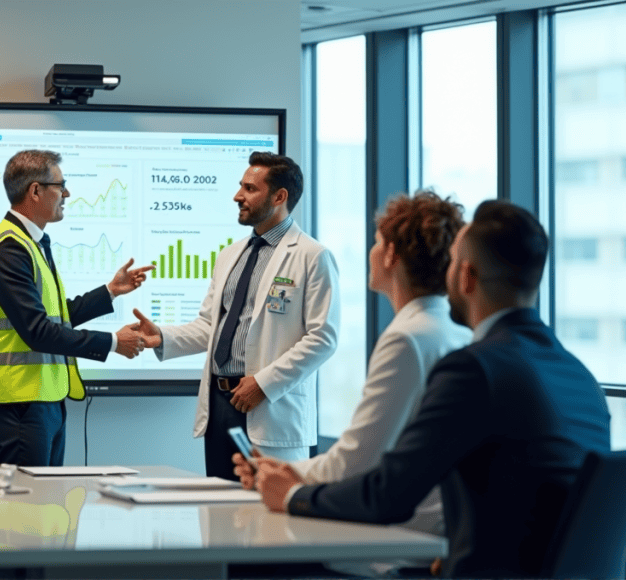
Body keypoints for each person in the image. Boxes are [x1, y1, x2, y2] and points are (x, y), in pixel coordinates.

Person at [237, 200, 611, 578]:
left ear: (465, 278)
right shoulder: (580, 378)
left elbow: (390, 495)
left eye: (451, 262)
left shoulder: (475, 369)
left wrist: (291, 496)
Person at [236, 191, 470, 537]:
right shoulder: (456, 332)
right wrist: (285, 469)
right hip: (436, 526)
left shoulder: (406, 340)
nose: (372, 251)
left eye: (377, 242)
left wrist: (285, 481)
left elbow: (356, 460)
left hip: (400, 535)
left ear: (391, 254)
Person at [131, 152, 340, 479]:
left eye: (249, 188)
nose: (237, 196)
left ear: (279, 196)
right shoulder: (230, 255)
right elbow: (210, 328)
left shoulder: (312, 256)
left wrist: (264, 384)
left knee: (267, 519)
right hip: (219, 405)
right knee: (217, 513)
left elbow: (323, 338)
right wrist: (164, 336)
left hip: (270, 405)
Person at [0, 149, 152, 467]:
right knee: (25, 511)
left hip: (43, 400)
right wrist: (112, 343)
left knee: (45, 508)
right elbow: (38, 332)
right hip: (18, 402)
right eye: (61, 185)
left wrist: (110, 292)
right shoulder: (9, 250)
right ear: (36, 191)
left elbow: (56, 315)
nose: (67, 193)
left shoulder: (31, 242)